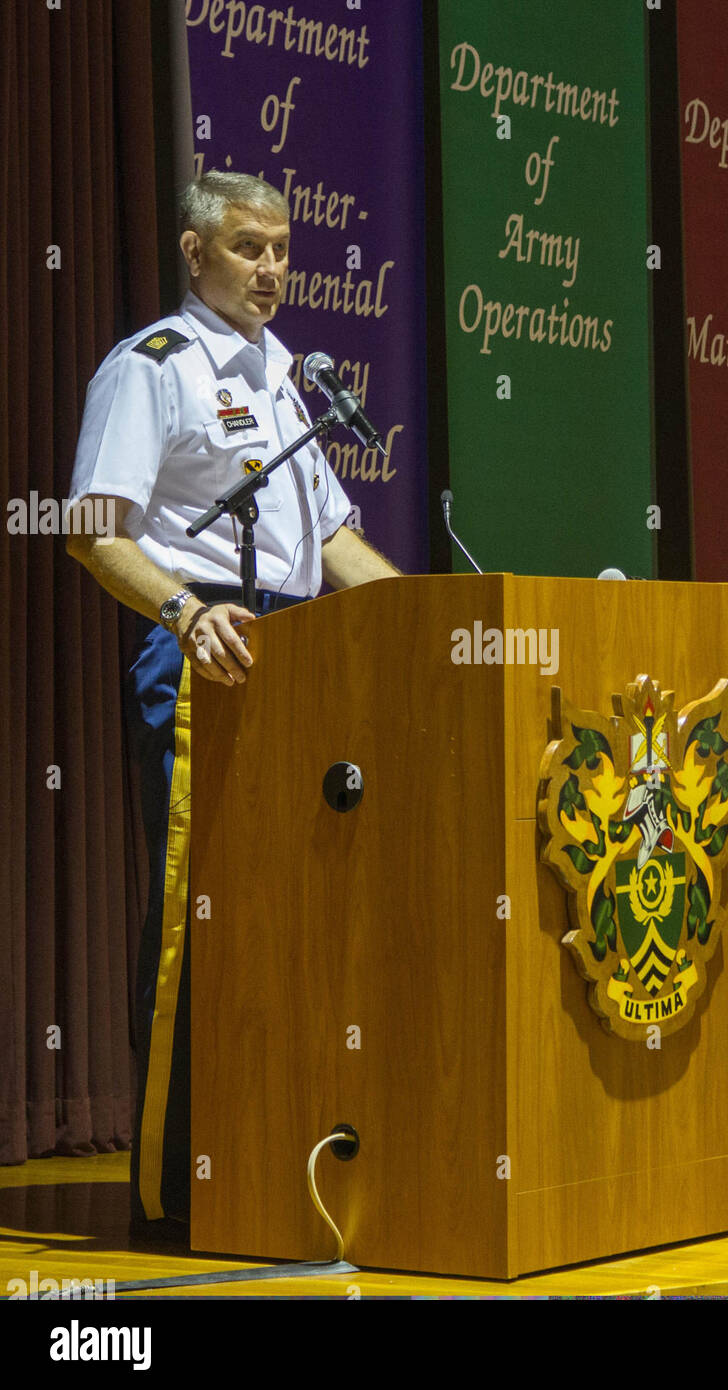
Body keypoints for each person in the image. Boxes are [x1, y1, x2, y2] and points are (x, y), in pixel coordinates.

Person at [66, 170, 399, 1240]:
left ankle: (274, 1155)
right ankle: (181, 1181)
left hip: (303, 654)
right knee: (201, 921)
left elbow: (334, 540)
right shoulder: (151, 369)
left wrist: (435, 619)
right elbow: (94, 526)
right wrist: (183, 610)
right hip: (202, 652)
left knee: (297, 923)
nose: (271, 268)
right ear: (194, 253)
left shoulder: (287, 375)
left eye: (283, 250)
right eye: (248, 247)